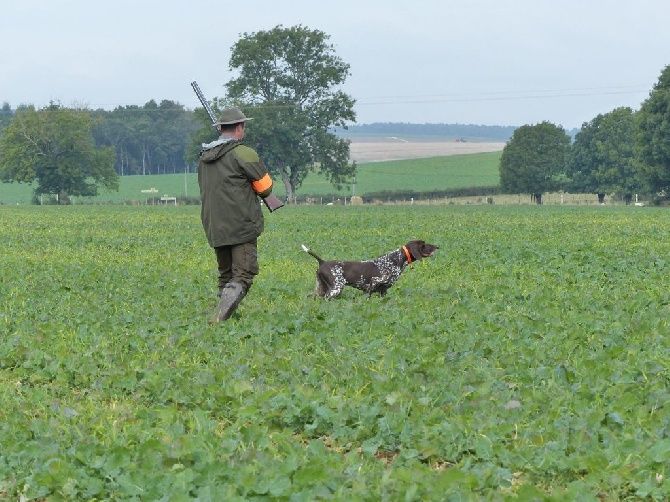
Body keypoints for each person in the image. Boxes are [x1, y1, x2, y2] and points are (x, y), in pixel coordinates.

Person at [197, 107, 275, 322]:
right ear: (240, 127)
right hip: (241, 225)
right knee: (243, 274)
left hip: (215, 225)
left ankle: (222, 319)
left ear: (220, 128)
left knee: (226, 275)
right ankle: (220, 318)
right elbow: (266, 188)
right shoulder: (244, 153)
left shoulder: (204, 157)